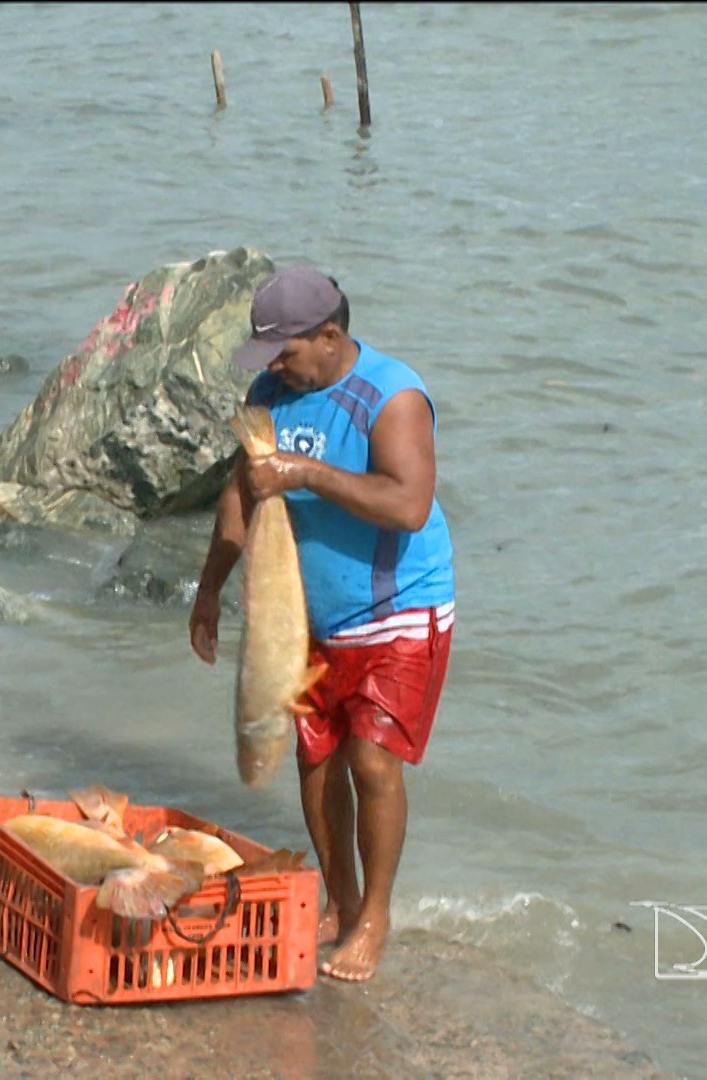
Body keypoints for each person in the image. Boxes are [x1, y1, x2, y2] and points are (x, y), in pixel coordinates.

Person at [189, 267, 456, 983]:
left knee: (371, 761)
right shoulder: (269, 396)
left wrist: (307, 475)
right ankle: (338, 902)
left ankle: (375, 915)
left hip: (398, 608)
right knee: (315, 757)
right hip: (307, 612)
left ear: (330, 336)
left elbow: (407, 504)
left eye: (286, 352)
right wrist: (210, 587)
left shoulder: (391, 397)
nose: (275, 366)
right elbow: (240, 495)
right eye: (268, 354)